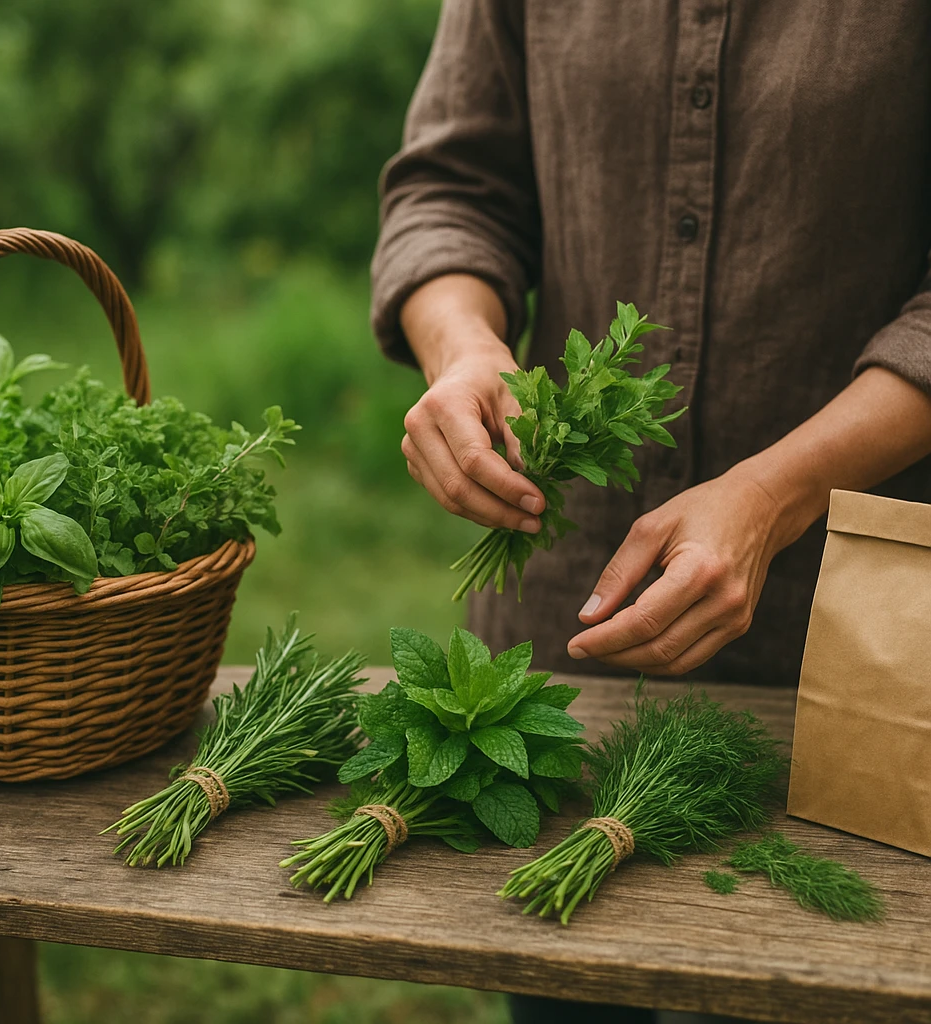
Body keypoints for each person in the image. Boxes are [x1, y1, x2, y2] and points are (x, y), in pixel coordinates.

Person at [370, 2, 931, 1021]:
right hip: (566, 622)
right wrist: (463, 349)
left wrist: (773, 492)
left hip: (862, 639)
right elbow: (451, 188)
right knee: (563, 990)